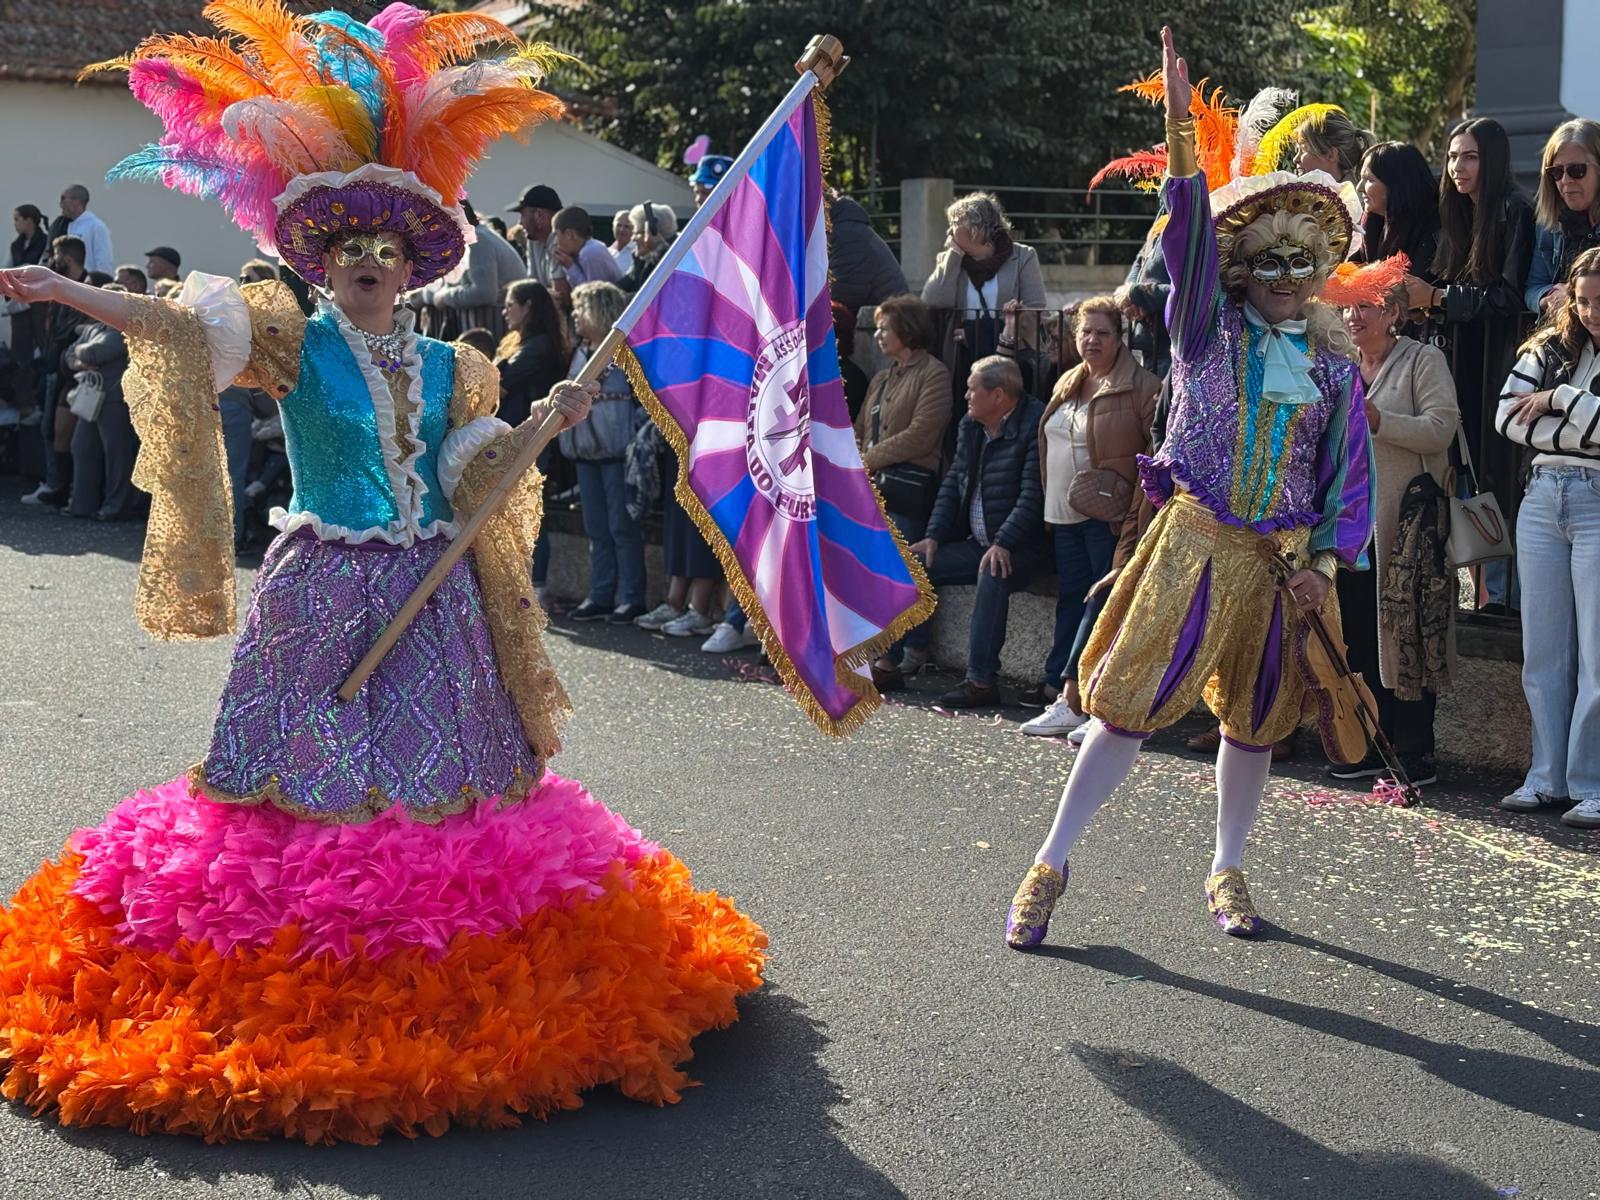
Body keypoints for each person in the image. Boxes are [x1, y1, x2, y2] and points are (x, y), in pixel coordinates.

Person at [0, 1, 764, 1143]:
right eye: (349, 252)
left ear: (413, 268)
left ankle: (448, 973)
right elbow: (166, 329)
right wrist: (69, 293)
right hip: (320, 594)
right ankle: (295, 968)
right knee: (296, 777)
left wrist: (538, 425)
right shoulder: (287, 341)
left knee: (445, 776)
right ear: (322, 262)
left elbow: (469, 476)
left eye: (386, 253)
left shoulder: (457, 363)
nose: (367, 266)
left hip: (433, 595)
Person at [1006, 28, 1372, 949]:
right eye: (1272, 260)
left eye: (1305, 262)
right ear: (1246, 265)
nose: (1290, 279)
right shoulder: (1205, 329)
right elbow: (1189, 233)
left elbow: (1348, 484)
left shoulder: (1333, 372)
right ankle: (1050, 862)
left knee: (1251, 727)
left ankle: (1228, 866)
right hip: (1194, 546)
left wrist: (1325, 565)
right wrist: (1179, 127)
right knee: (1123, 708)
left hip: (1277, 565)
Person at [1325, 264, 1460, 786]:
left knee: (1407, 634)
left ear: (1394, 312)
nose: (1353, 316)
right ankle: (1367, 744)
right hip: (1348, 525)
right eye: (1348, 306)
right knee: (1356, 634)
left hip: (1406, 527)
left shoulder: (1423, 360)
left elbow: (1441, 429)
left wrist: (1381, 421)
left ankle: (1413, 751)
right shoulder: (1339, 365)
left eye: (1366, 306)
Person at [1406, 117, 1534, 612]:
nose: (1458, 167)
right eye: (1454, 156)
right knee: (1463, 476)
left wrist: (1438, 297)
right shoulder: (1455, 216)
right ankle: (1481, 594)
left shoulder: (1513, 210)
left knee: (1496, 478)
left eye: (1471, 156)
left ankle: (1500, 601)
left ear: (1494, 159)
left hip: (1498, 363)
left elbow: (1508, 296)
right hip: (1460, 363)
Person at [1494, 246, 1600, 829]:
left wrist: (1561, 400)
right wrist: (1584, 420)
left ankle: (1591, 783)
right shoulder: (1547, 348)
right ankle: (1546, 777)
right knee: (1543, 650)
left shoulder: (1557, 377)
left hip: (1596, 501)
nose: (1589, 312)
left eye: (1599, 301)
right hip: (1542, 498)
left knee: (1596, 652)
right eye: (1582, 300)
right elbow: (1506, 419)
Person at [1019, 296, 1159, 735]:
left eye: (1102, 333)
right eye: (1085, 332)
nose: (1092, 340)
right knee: (1072, 599)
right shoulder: (1068, 381)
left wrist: (1133, 520)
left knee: (1101, 604)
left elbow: (1151, 460)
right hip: (1062, 514)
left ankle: (1081, 699)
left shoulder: (1142, 387)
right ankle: (1063, 695)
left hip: (1110, 517)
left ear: (1120, 339)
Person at [905, 354, 1044, 708]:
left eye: (972, 389)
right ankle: (896, 659)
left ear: (997, 396)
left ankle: (981, 681)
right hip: (978, 542)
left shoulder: (1033, 424)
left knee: (992, 573)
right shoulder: (972, 424)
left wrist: (1004, 542)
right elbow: (954, 480)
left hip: (1022, 547)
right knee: (913, 563)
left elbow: (1034, 494)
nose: (966, 396)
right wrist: (934, 534)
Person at [854, 294, 953, 690]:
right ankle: (880, 650)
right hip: (875, 483)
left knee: (905, 571)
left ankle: (906, 652)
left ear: (907, 331)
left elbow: (921, 434)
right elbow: (861, 425)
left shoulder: (934, 374)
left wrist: (868, 460)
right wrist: (862, 457)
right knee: (875, 569)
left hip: (908, 485)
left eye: (884, 327)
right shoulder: (882, 376)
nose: (878, 334)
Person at [921, 192, 1047, 429]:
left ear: (975, 228)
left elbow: (1035, 309)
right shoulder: (950, 258)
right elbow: (932, 301)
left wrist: (977, 330)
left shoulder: (1023, 256)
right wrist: (954, 256)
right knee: (963, 424)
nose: (949, 232)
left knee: (1006, 421)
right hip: (961, 358)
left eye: (955, 224)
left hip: (1008, 356)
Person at [561, 281, 647, 624]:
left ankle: (631, 596)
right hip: (585, 448)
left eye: (581, 308)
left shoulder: (622, 352)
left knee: (621, 525)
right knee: (595, 525)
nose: (575, 316)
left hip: (617, 448)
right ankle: (600, 594)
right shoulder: (580, 350)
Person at [496, 279, 570, 607]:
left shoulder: (539, 346)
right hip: (520, 436)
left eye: (511, 304)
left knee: (530, 511)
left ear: (527, 308)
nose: (504, 311)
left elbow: (502, 377)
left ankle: (537, 583)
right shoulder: (521, 342)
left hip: (534, 439)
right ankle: (523, 581)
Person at [21, 234, 91, 507]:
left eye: (55, 253)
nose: (51, 259)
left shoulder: (88, 287)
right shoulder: (58, 287)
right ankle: (56, 484)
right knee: (50, 427)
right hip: (54, 365)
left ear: (69, 258)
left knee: (62, 432)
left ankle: (60, 486)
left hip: (75, 371)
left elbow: (71, 329)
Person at [62, 283, 138, 521]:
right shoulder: (93, 328)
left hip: (114, 400)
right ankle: (81, 504)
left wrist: (81, 354)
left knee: (116, 454)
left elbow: (95, 353)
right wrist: (82, 356)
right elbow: (68, 356)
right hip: (90, 397)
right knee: (82, 447)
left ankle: (115, 506)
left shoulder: (122, 329)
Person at [417, 198, 527, 339]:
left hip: (500, 334)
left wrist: (446, 296)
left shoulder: (477, 241)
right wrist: (427, 296)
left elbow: (484, 293)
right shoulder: (469, 241)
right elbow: (450, 283)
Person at [1524, 119, 1600, 318]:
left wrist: (1575, 293)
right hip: (1568, 337)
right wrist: (1548, 298)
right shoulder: (1550, 224)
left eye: (1577, 170)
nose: (1566, 180)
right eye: (1556, 172)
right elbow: (1533, 287)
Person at [1356, 141, 1441, 273]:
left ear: (1396, 184)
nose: (1359, 187)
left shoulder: (1433, 229)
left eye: (1369, 180)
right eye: (1361, 179)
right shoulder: (1373, 222)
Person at [828, 190, 909, 313]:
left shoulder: (847, 235)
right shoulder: (842, 229)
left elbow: (842, 298)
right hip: (881, 319)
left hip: (891, 324)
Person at [6, 204, 49, 415]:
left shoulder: (45, 242)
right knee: (20, 355)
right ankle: (26, 403)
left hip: (40, 304)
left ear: (28, 221)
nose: (15, 224)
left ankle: (43, 401)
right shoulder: (17, 245)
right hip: (19, 306)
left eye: (17, 219)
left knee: (45, 349)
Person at [1292, 108, 1374, 185]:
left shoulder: (1350, 199)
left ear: (1331, 154)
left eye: (1303, 150)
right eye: (1297, 151)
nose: (1295, 159)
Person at [507, 183, 563, 286]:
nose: (519, 222)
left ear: (539, 215)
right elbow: (533, 286)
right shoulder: (533, 242)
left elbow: (561, 296)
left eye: (523, 215)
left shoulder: (562, 242)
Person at [551, 206, 622, 286]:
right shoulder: (585, 250)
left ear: (570, 235)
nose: (554, 242)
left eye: (556, 235)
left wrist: (570, 267)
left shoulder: (589, 253)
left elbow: (593, 293)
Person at [618, 202, 678, 295]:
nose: (632, 238)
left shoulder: (673, 262)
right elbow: (623, 286)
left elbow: (648, 298)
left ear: (652, 233)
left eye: (636, 233)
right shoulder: (642, 260)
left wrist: (658, 246)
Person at [57, 184, 113, 275]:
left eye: (63, 198)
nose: (60, 204)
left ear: (76, 201)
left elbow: (104, 262)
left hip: (88, 285)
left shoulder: (96, 226)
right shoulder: (65, 226)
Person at [609, 207, 636, 274]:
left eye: (627, 227)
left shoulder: (637, 252)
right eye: (619, 225)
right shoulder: (607, 251)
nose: (621, 230)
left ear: (634, 229)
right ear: (613, 227)